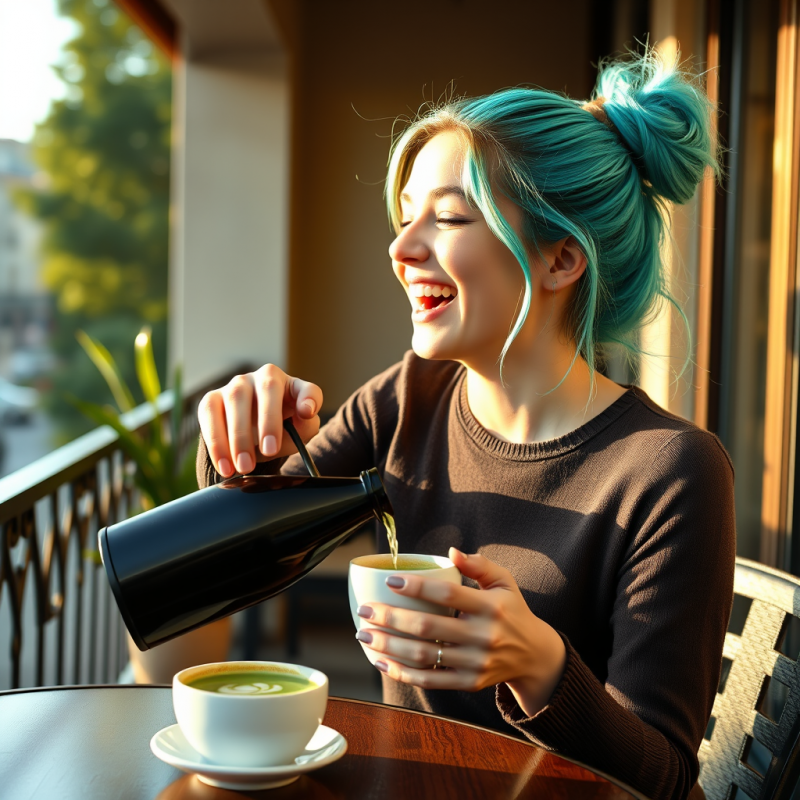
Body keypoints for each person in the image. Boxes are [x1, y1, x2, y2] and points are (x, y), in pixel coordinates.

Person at [196, 50, 735, 800]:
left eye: (447, 217)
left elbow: (668, 780)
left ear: (560, 260)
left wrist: (542, 665)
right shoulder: (410, 397)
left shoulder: (670, 470)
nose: (401, 247)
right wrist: (243, 434)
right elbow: (239, 552)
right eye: (405, 214)